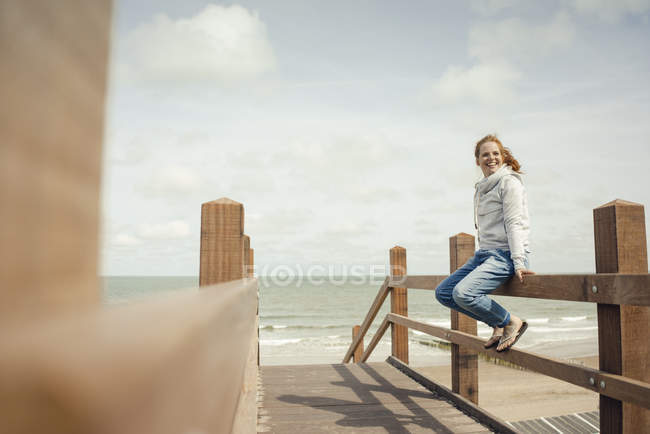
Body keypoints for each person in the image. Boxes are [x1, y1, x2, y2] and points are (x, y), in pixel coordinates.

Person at [435, 134, 534, 352]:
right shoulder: (481, 187)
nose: (491, 158)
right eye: (485, 154)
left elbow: (514, 223)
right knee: (444, 292)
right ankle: (498, 323)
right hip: (485, 255)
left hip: (507, 254)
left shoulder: (509, 184)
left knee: (463, 293)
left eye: (496, 153)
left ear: (503, 156)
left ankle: (510, 322)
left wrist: (518, 262)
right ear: (477, 160)